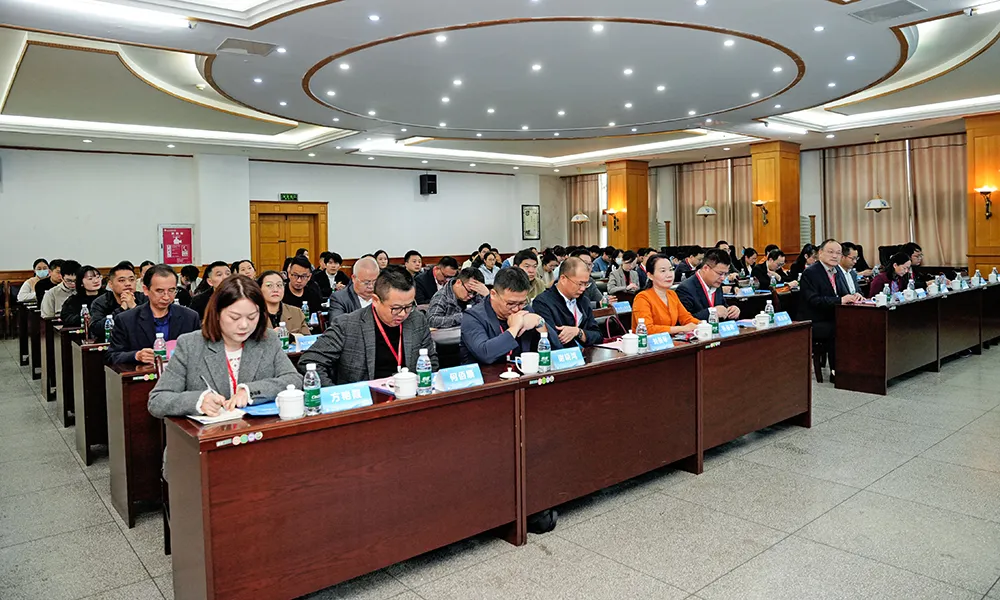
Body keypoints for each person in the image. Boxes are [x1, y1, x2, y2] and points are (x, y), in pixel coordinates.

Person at [148, 274, 300, 419]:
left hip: (255, 431)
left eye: (252, 317)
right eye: (234, 317)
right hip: (207, 433)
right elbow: (158, 400)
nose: (244, 325)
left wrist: (251, 391)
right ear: (217, 313)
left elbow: (294, 380)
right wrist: (199, 401)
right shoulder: (190, 345)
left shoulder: (267, 339)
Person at [298, 267, 438, 385]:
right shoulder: (347, 325)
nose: (403, 314)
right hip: (366, 402)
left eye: (408, 306)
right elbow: (309, 361)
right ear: (375, 300)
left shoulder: (417, 320)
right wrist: (334, 392)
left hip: (408, 398)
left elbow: (431, 361)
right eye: (396, 308)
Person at [107, 264, 200, 365]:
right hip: (145, 372)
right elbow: (112, 356)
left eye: (171, 290)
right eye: (160, 291)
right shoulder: (126, 319)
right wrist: (136, 355)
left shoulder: (190, 317)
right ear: (146, 290)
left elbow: (200, 352)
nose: (166, 297)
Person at [799, 240, 864, 378]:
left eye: (838, 253)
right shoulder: (811, 273)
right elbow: (814, 300)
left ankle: (855, 367)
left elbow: (842, 294)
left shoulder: (837, 272)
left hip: (832, 316)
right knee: (839, 328)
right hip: (814, 320)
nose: (835, 256)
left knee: (856, 324)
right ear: (820, 253)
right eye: (830, 252)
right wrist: (840, 300)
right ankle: (837, 371)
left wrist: (854, 296)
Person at [460, 267, 546, 365]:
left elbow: (556, 348)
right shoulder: (473, 317)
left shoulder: (525, 310)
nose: (516, 309)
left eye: (522, 303)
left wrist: (540, 322)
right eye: (510, 303)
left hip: (522, 371)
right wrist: (514, 328)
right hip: (487, 373)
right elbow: (485, 354)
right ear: (493, 294)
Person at [532, 257, 603, 349]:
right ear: (563, 279)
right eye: (580, 284)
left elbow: (598, 336)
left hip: (586, 354)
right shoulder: (543, 302)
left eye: (586, 284)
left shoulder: (584, 300)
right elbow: (552, 340)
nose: (583, 288)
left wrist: (578, 332)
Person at [632, 255, 700, 334]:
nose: (669, 275)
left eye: (671, 269)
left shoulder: (672, 294)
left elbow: (686, 318)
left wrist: (702, 324)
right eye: (663, 271)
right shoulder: (642, 298)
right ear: (650, 275)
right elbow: (647, 329)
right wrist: (681, 329)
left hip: (670, 340)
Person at [675, 249, 741, 321]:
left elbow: (722, 309)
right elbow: (684, 320)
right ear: (705, 268)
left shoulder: (716, 284)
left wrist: (731, 311)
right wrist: (712, 312)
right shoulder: (685, 289)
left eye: (725, 274)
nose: (723, 278)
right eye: (720, 273)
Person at [90, 262, 147, 341]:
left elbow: (151, 325)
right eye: (122, 280)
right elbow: (96, 329)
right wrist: (121, 309)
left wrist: (134, 307)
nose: (128, 284)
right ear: (110, 284)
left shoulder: (144, 298)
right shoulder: (101, 302)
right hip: (111, 345)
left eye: (131, 280)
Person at [257, 270, 310, 337]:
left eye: (279, 285)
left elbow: (307, 339)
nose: (275, 290)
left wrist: (290, 336)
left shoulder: (297, 313)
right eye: (269, 285)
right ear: (259, 289)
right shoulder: (253, 315)